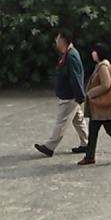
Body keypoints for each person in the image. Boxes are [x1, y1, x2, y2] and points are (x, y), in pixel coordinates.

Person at [34, 28, 88, 158]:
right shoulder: (66, 54)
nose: (56, 41)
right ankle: (86, 143)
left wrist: (79, 95)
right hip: (69, 94)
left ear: (63, 40)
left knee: (61, 121)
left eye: (58, 38)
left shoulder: (71, 56)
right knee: (78, 120)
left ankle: (49, 146)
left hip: (69, 96)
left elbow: (76, 77)